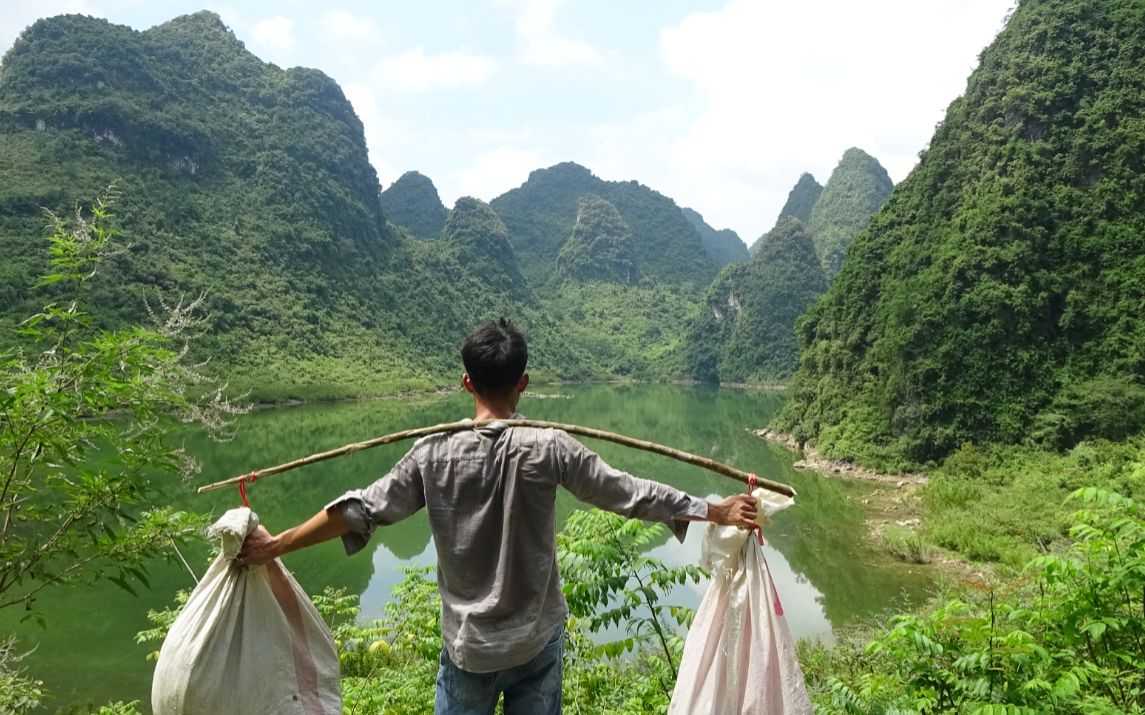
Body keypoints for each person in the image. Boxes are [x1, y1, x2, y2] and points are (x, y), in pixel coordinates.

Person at [237, 319, 758, 715]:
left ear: (467, 383)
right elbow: (627, 492)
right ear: (524, 383)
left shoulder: (431, 453)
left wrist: (276, 544)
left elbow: (359, 511)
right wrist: (715, 509)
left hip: (468, 651)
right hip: (536, 644)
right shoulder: (549, 447)